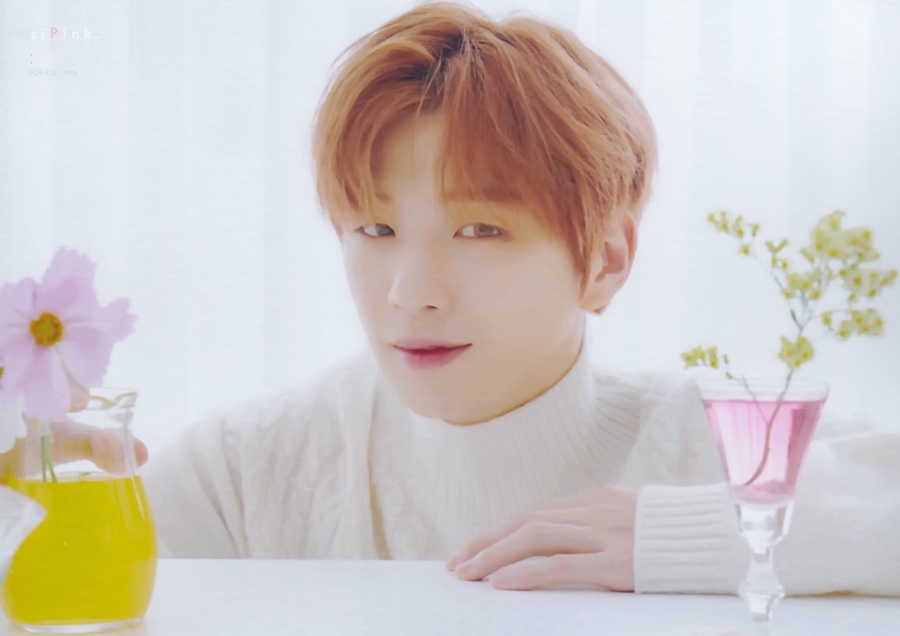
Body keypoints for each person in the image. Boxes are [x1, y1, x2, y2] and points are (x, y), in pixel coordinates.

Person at [19, 1, 900, 595]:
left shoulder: (710, 449)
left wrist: (695, 538)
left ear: (604, 261)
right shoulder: (245, 472)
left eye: (479, 230)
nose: (410, 295)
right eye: (374, 228)